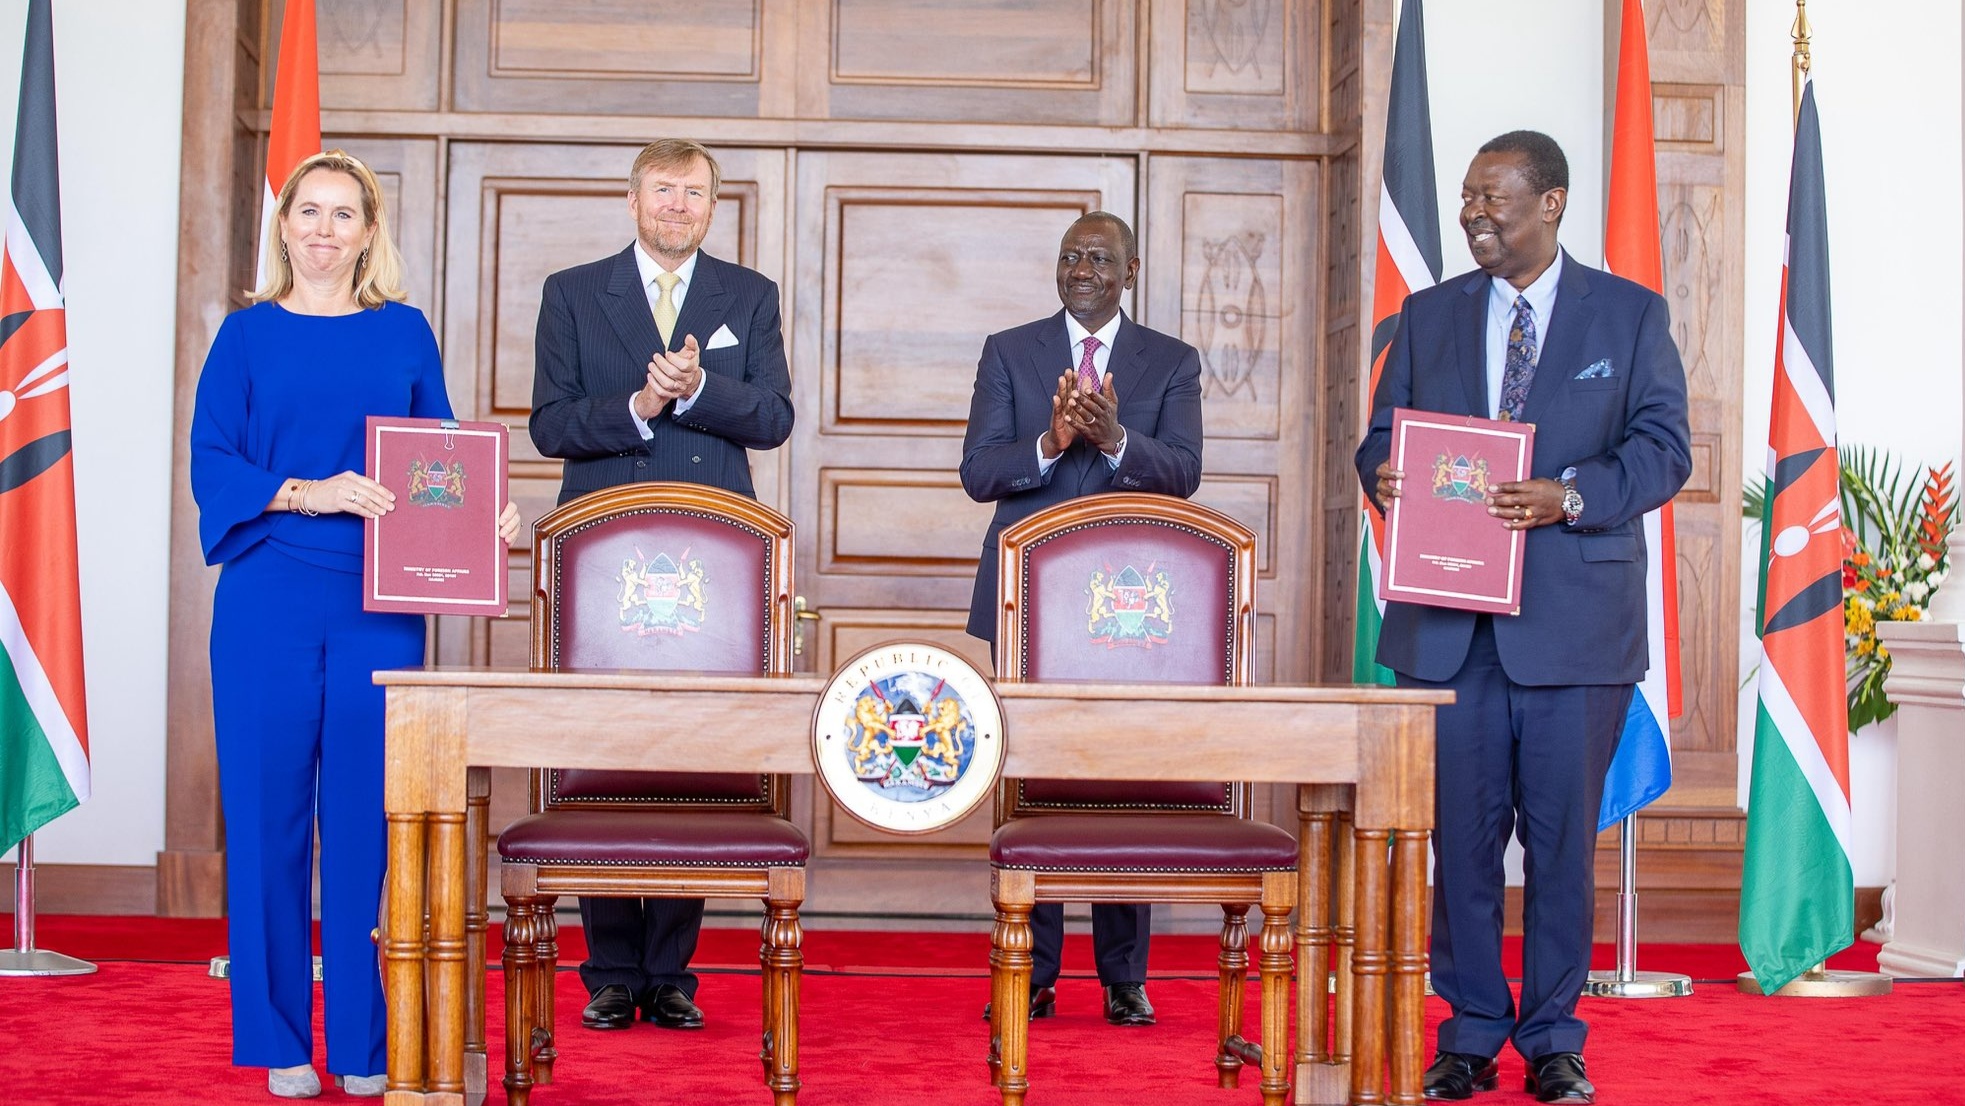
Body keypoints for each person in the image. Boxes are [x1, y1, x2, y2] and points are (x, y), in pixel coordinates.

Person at [1355, 131, 1690, 1105]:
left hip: (1574, 632)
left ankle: (1552, 1035)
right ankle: (1466, 1031)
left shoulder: (1628, 317)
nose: (1474, 215)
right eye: (1465, 199)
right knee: (1457, 844)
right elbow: (1386, 437)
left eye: (1493, 198)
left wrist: (1571, 494)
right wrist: (1380, 471)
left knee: (1557, 846)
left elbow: (1665, 450)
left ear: (1552, 203)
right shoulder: (1427, 316)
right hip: (1448, 630)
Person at [191, 150, 522, 1099]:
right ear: (284, 226)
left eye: (344, 216)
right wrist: (303, 490)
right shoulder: (245, 338)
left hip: (380, 605)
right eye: (310, 213)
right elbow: (212, 458)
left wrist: (485, 511)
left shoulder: (403, 333)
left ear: (369, 234)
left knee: (369, 830)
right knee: (267, 825)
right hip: (265, 597)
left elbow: (442, 464)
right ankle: (276, 1039)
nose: (325, 231)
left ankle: (367, 1045)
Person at [528, 138, 794, 1033]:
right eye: (662, 190)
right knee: (601, 754)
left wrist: (698, 390)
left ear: (713, 206)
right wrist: (638, 407)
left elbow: (775, 416)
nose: (677, 205)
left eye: (694, 193)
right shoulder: (572, 291)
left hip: (712, 557)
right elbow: (548, 423)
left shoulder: (747, 296)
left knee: (688, 754)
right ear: (632, 198)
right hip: (600, 552)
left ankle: (670, 972)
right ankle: (608, 970)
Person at [960, 211, 1203, 1028]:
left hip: (1129, 609)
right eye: (1070, 256)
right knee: (1034, 786)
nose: (1082, 269)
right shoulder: (1009, 350)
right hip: (1025, 601)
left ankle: (1122, 976)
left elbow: (1185, 474)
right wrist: (1051, 438)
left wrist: (1115, 440)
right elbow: (979, 471)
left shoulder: (1169, 361)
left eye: (1100, 258)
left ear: (1129, 272)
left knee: (1119, 789)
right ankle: (1030, 966)